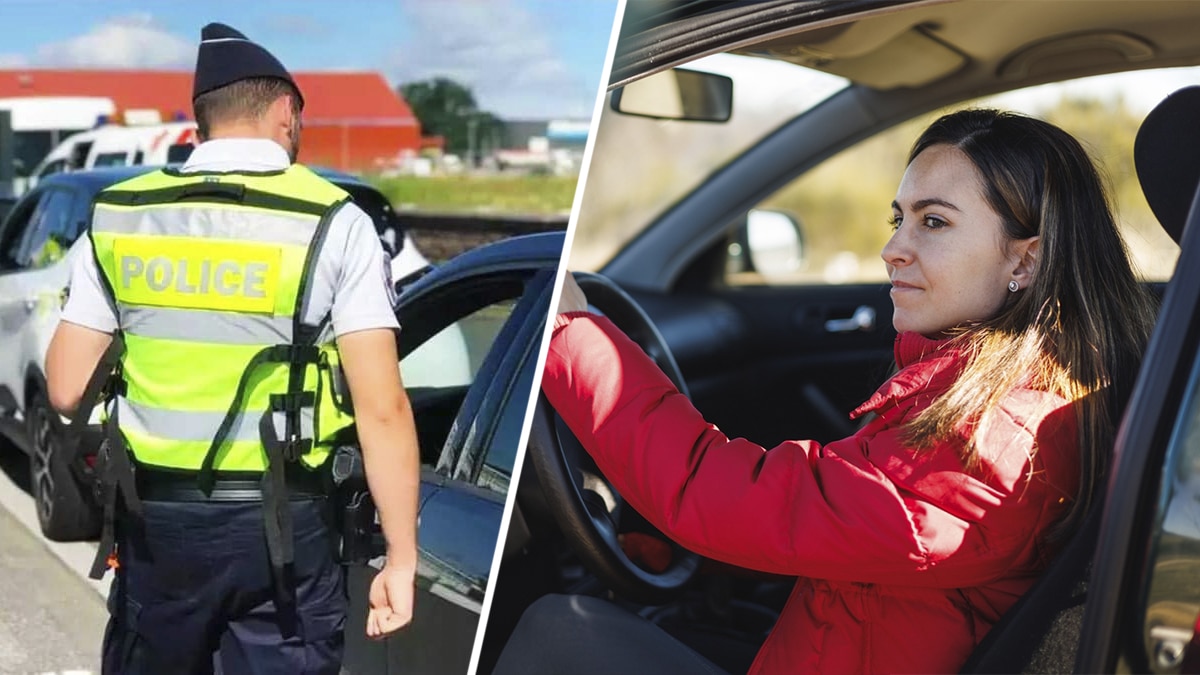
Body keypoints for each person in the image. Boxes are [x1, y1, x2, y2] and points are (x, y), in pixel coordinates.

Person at [495, 109, 1157, 674]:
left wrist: (568, 329)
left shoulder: (982, 444)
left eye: (934, 222)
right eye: (899, 217)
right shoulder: (1033, 394)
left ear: (1025, 260)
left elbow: (708, 492)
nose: (892, 248)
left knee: (555, 629)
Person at [45, 22, 419, 674]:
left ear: (202, 124)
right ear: (285, 113)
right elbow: (381, 407)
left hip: (155, 526)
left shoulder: (122, 214)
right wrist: (402, 557)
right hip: (285, 532)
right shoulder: (337, 222)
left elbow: (66, 386)